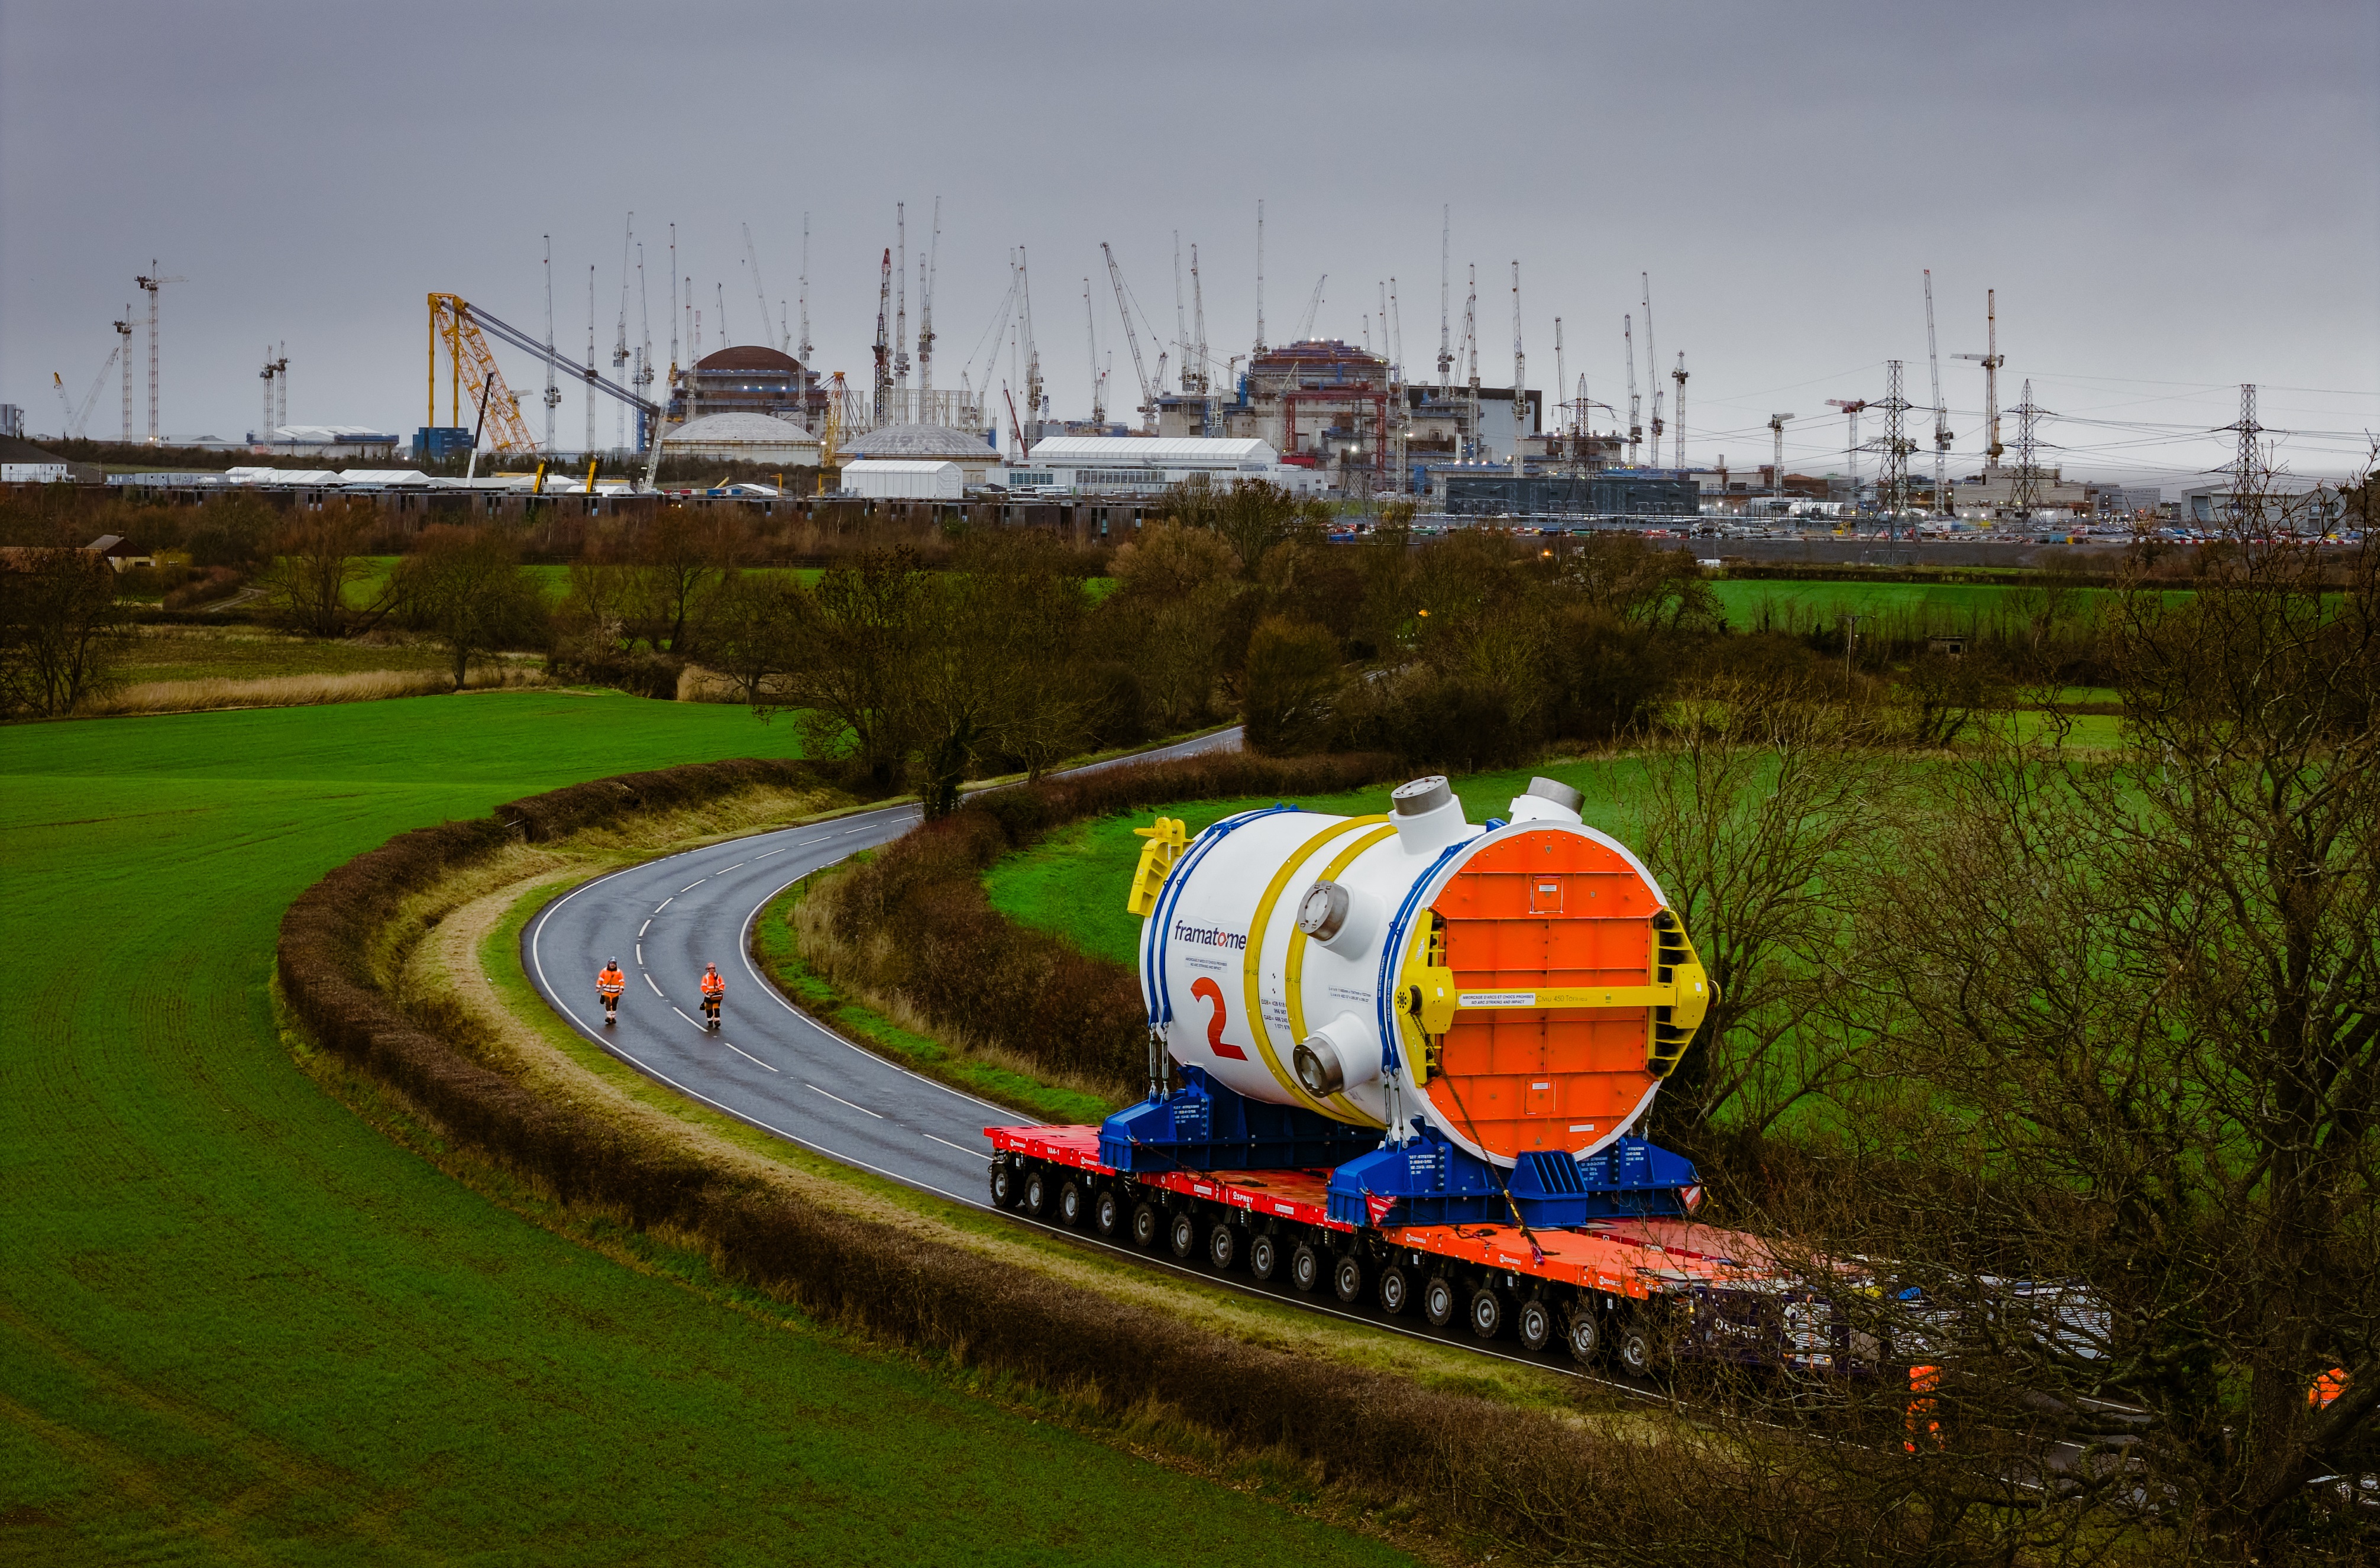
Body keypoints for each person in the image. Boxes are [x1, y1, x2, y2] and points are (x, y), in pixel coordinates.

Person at [597, 956, 626, 1024]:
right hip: (607, 992)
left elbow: (621, 981)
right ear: (609, 964)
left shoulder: (619, 972)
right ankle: (608, 1016)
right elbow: (600, 980)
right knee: (608, 1004)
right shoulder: (604, 971)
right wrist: (598, 987)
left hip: (615, 993)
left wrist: (621, 989)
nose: (613, 965)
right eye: (611, 963)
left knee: (614, 1005)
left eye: (614, 963)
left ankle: (613, 1017)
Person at [700, 962, 725, 1030]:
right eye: (711, 969)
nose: (712, 970)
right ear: (708, 970)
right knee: (709, 1009)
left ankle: (717, 1021)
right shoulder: (706, 978)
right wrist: (708, 992)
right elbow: (703, 986)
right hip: (709, 997)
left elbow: (722, 984)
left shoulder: (718, 977)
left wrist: (721, 990)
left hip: (716, 996)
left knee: (717, 1008)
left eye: (713, 969)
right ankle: (710, 1021)